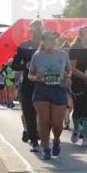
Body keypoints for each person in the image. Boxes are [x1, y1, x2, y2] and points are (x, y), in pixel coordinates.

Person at [29, 31, 71, 160]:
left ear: (56, 41)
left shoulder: (63, 55)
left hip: (58, 91)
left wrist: (68, 79)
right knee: (44, 122)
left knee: (57, 124)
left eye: (53, 40)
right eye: (48, 40)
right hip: (42, 90)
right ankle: (46, 148)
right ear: (43, 41)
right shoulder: (37, 56)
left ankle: (57, 140)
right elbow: (30, 75)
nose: (51, 42)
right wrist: (36, 78)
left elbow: (68, 71)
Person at [11, 19, 44, 145]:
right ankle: (33, 138)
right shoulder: (23, 46)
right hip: (29, 84)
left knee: (45, 114)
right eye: (35, 28)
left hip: (46, 84)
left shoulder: (48, 45)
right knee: (29, 112)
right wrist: (25, 66)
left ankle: (40, 134)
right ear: (30, 30)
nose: (38, 30)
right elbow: (14, 65)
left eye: (40, 28)